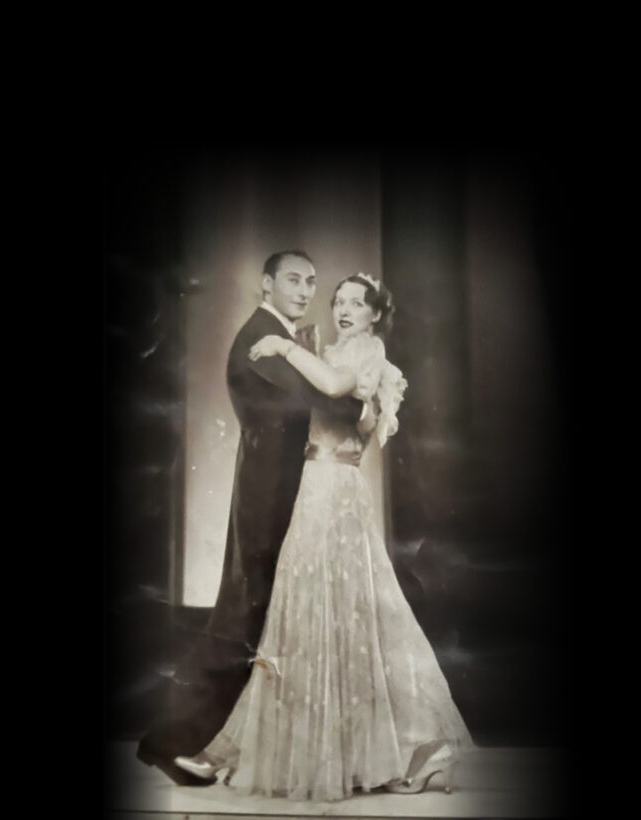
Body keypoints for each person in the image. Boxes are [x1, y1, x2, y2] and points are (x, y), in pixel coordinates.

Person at [174, 273, 474, 801]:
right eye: (338, 300)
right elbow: (332, 402)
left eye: (356, 303)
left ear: (375, 314)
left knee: (342, 611)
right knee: (307, 611)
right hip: (317, 483)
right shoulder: (333, 350)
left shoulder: (368, 350)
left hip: (335, 488)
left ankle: (412, 749)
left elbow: (335, 390)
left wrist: (286, 346)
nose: (343, 308)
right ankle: (303, 750)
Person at [137, 251, 366, 778]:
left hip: (287, 494)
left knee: (263, 624)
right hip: (268, 499)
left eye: (312, 281)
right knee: (240, 621)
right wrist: (360, 390)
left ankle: (264, 749)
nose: (306, 290)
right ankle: (171, 741)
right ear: (266, 285)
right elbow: (325, 405)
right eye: (293, 280)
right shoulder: (261, 338)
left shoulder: (281, 337)